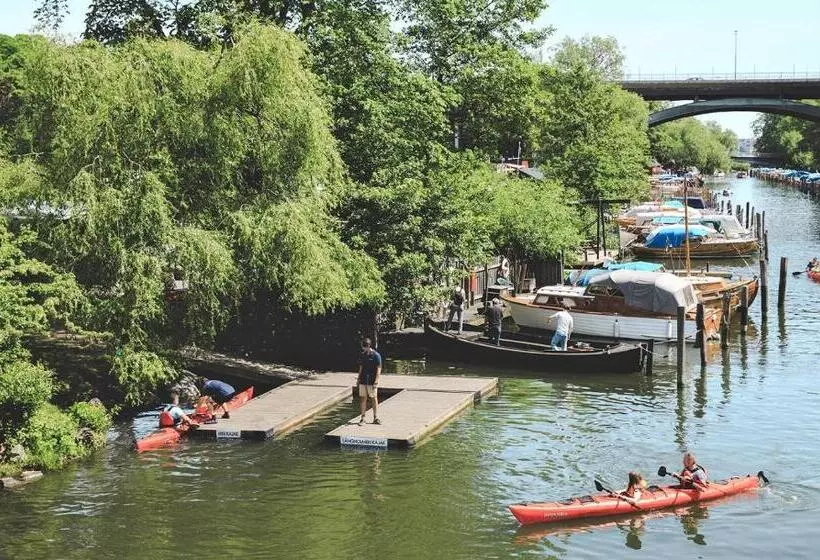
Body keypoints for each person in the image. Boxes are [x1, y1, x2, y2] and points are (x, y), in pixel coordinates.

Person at [357, 338, 382, 425]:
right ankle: (362, 418)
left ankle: (376, 417)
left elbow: (378, 369)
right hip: (363, 380)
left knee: (374, 398)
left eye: (364, 347)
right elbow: (361, 367)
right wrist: (358, 378)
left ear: (368, 346)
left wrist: (376, 380)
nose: (363, 349)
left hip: (372, 380)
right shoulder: (362, 355)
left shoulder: (376, 355)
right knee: (363, 398)